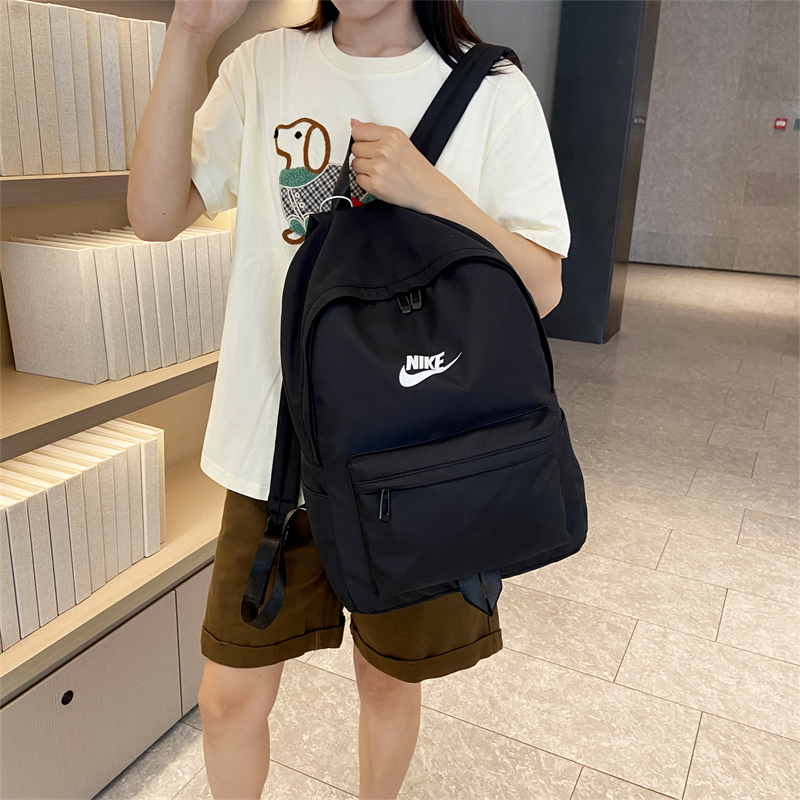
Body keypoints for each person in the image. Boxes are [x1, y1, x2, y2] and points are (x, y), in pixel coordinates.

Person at [128, 1, 570, 798]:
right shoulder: (265, 67)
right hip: (276, 453)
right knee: (226, 700)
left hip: (417, 459)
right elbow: (154, 216)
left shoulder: (492, 89)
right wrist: (189, 33)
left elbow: (542, 286)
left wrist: (431, 191)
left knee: (389, 681)